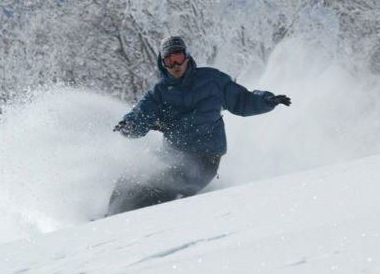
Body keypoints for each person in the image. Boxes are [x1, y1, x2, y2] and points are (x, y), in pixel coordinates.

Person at [107, 35, 291, 216]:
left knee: (163, 188)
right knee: (135, 173)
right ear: (163, 64)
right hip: (173, 155)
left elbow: (242, 100)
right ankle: (110, 214)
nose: (175, 66)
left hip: (205, 159)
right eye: (169, 61)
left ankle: (132, 222)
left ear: (186, 56)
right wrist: (130, 125)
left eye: (178, 58)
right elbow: (142, 114)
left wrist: (267, 100)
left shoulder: (212, 80)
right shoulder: (160, 93)